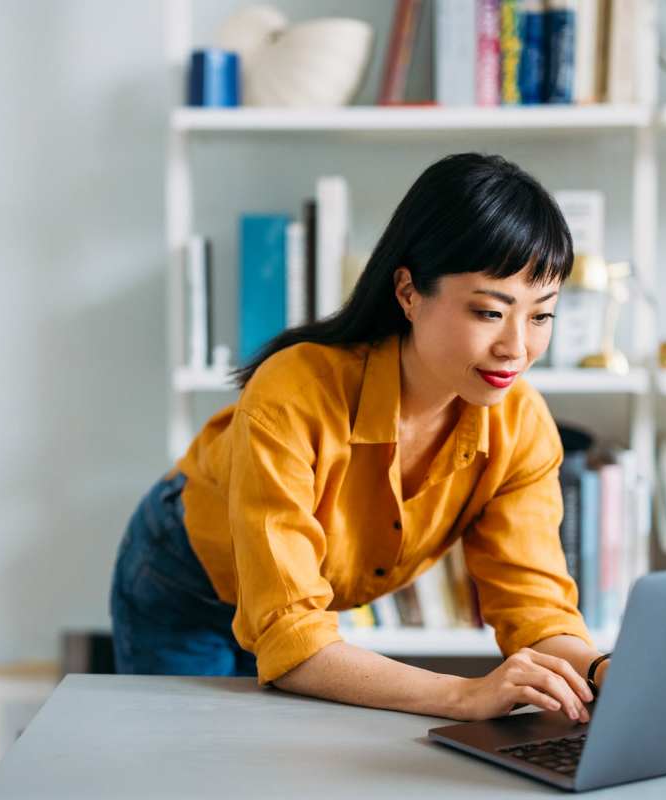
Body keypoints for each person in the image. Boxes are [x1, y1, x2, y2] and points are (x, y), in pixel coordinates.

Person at [110, 153, 607, 723]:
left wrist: (601, 671)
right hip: (188, 581)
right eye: (489, 312)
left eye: (541, 316)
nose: (516, 348)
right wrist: (464, 695)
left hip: (299, 604)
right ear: (409, 292)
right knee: (190, 766)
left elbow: (537, 612)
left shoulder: (522, 426)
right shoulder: (293, 392)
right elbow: (291, 640)